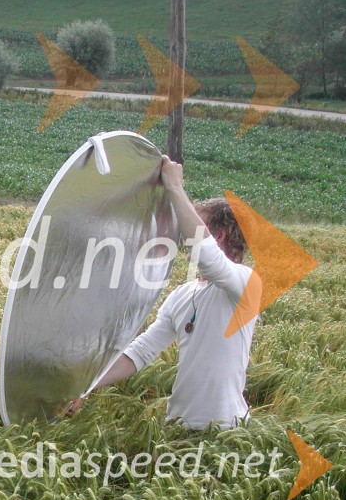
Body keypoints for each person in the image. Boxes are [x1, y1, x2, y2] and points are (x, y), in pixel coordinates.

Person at [67, 156, 261, 430]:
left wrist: (175, 188)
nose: (182, 234)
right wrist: (85, 388)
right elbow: (141, 352)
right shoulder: (181, 295)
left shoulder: (246, 282)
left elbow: (209, 258)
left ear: (218, 236)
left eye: (193, 225)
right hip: (177, 427)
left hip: (228, 430)